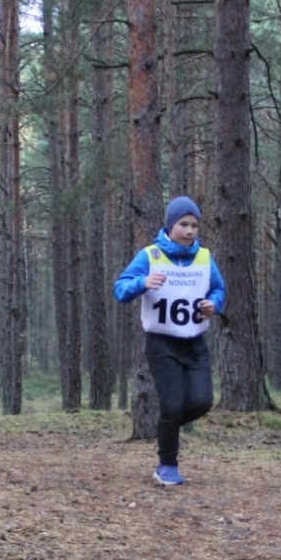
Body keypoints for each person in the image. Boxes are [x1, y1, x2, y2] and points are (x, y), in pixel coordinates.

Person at [112, 195, 225, 486]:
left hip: (195, 343)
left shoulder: (204, 257)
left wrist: (213, 304)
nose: (189, 231)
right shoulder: (150, 256)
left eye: (194, 225)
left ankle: (167, 426)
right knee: (173, 407)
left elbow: (218, 289)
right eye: (183, 224)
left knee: (201, 402)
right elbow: (120, 290)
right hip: (162, 344)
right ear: (170, 225)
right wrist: (143, 283)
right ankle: (167, 465)